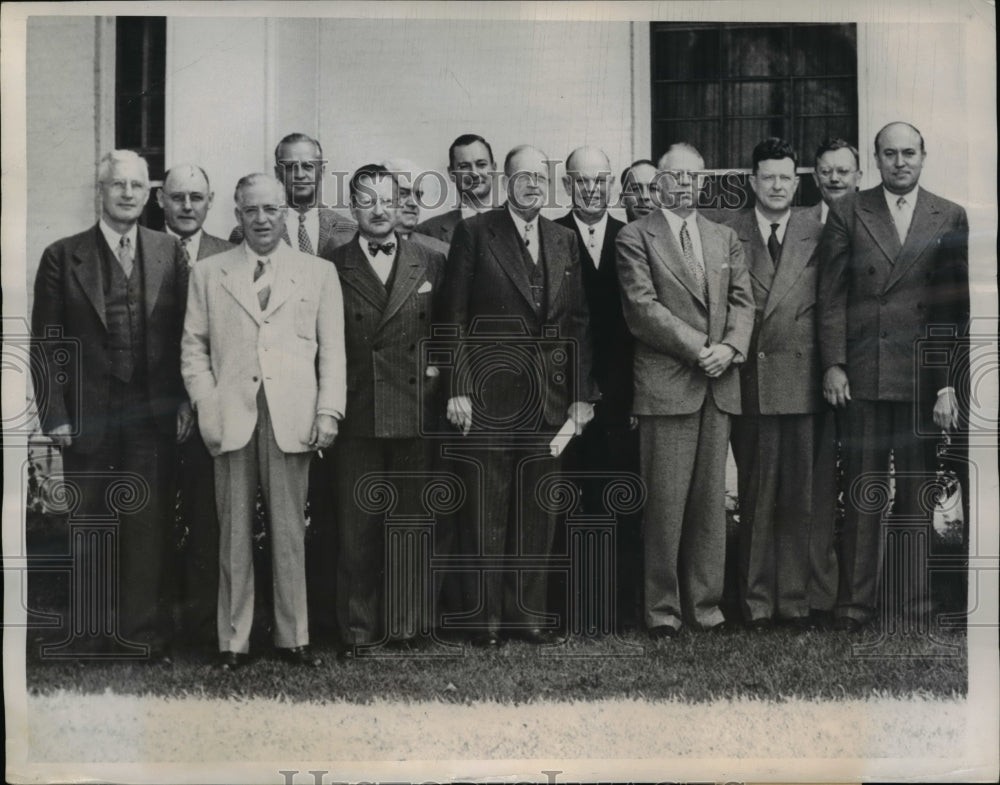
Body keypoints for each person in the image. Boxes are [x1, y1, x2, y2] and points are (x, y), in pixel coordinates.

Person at [31, 149, 192, 661]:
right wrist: (53, 413)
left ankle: (140, 633)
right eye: (117, 184)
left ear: (150, 195)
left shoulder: (169, 252)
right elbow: (46, 342)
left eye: (137, 186)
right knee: (92, 522)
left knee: (146, 523)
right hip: (87, 414)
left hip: (151, 413)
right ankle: (90, 635)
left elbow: (189, 334)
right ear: (99, 191)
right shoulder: (63, 255)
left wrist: (185, 399)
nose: (127, 193)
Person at [182, 173, 346, 669]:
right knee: (231, 533)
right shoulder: (210, 273)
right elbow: (194, 349)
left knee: (289, 531)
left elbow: (333, 352)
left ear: (284, 212)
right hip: (231, 416)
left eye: (270, 209)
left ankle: (293, 636)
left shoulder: (317, 272)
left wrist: (328, 410)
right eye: (251, 210)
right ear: (237, 215)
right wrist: (207, 404)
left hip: (291, 416)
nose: (261, 219)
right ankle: (233, 640)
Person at [438, 144, 597, 647]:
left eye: (539, 176)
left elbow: (577, 322)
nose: (532, 184)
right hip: (486, 400)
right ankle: (483, 621)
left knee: (537, 512)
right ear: (507, 181)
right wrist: (458, 387)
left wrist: (579, 395)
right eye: (522, 176)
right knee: (485, 510)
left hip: (548, 404)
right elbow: (452, 318)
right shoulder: (476, 232)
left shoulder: (563, 239)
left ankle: (526, 616)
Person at [818, 121, 969, 632]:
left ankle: (912, 603)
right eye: (889, 154)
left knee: (914, 492)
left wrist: (946, 382)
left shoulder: (948, 214)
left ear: (924, 156)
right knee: (863, 489)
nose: (900, 162)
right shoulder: (848, 211)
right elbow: (832, 295)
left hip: (921, 380)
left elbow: (953, 306)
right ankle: (854, 605)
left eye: (909, 153)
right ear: (876, 159)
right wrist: (834, 364)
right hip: (862, 372)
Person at [616, 143, 754, 640]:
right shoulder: (635, 236)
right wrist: (702, 348)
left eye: (694, 177)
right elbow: (642, 308)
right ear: (658, 184)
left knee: (709, 504)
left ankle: (706, 606)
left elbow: (744, 301)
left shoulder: (724, 237)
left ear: (704, 182)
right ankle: (662, 611)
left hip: (718, 385)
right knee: (666, 505)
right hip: (668, 386)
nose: (684, 185)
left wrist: (732, 348)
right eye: (675, 176)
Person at [328, 164, 447, 655]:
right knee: (358, 526)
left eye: (387, 200)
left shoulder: (430, 259)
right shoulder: (330, 264)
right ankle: (358, 630)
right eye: (367, 200)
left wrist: (439, 375)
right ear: (353, 208)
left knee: (412, 523)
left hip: (416, 411)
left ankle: (408, 627)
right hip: (357, 409)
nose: (379, 210)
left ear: (400, 205)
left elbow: (447, 330)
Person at [721, 138, 833, 630]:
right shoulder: (729, 231)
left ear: (797, 181)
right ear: (752, 181)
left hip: (804, 378)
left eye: (786, 177)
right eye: (768, 177)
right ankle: (756, 601)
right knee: (757, 494)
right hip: (752, 380)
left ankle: (795, 599)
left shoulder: (819, 229)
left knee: (799, 496)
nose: (777, 185)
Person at [555, 146, 641, 631]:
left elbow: (634, 325)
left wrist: (618, 394)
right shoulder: (550, 236)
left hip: (619, 396)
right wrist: (573, 392)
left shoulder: (630, 237)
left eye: (600, 180)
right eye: (581, 181)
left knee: (619, 497)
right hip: (566, 396)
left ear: (610, 185)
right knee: (570, 498)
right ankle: (573, 607)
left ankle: (618, 607)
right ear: (567, 185)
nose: (591, 189)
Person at [156, 163, 234, 648]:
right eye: (178, 197)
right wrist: (172, 401)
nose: (187, 206)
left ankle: (207, 625)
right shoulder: (143, 251)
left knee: (210, 520)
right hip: (156, 411)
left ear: (211, 200)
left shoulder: (232, 254)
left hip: (216, 408)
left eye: (196, 197)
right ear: (161, 199)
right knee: (156, 520)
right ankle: (160, 625)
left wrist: (202, 401)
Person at [228, 132, 356, 257]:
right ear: (277, 173)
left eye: (308, 166)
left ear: (321, 171)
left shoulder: (349, 230)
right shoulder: (245, 232)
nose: (299, 175)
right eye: (290, 167)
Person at [415, 133, 498, 245]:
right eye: (464, 166)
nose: (474, 173)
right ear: (451, 173)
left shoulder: (515, 224)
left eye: (481, 164)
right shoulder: (426, 232)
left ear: (494, 169)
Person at [380, 157, 451, 256]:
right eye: (403, 193)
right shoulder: (354, 244)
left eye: (418, 195)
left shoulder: (441, 252)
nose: (413, 203)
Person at [811, 138, 863, 224]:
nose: (834, 178)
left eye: (843, 171)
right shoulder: (797, 223)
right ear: (816, 178)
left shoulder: (876, 221)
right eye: (826, 172)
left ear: (858, 178)